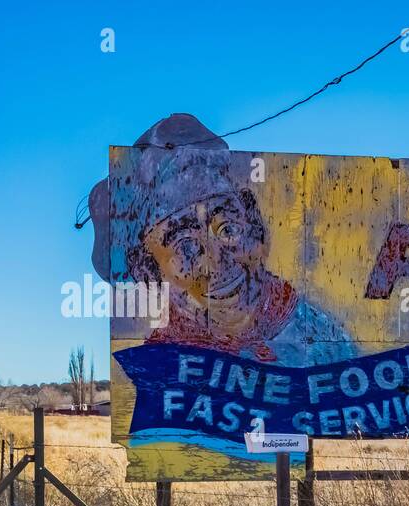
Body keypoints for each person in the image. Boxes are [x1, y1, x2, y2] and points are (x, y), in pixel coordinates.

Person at [89, 113, 355, 366]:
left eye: (228, 229)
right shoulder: (161, 365)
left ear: (255, 225)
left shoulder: (321, 338)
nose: (217, 261)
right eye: (187, 246)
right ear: (148, 269)